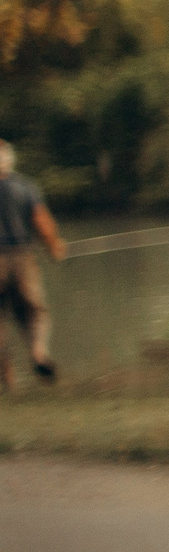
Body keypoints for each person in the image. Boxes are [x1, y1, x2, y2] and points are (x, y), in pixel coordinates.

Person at [0, 140, 67, 389]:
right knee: (35, 313)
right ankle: (38, 353)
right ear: (9, 160)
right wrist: (55, 247)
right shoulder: (24, 187)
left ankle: (8, 379)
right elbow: (41, 221)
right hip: (22, 258)